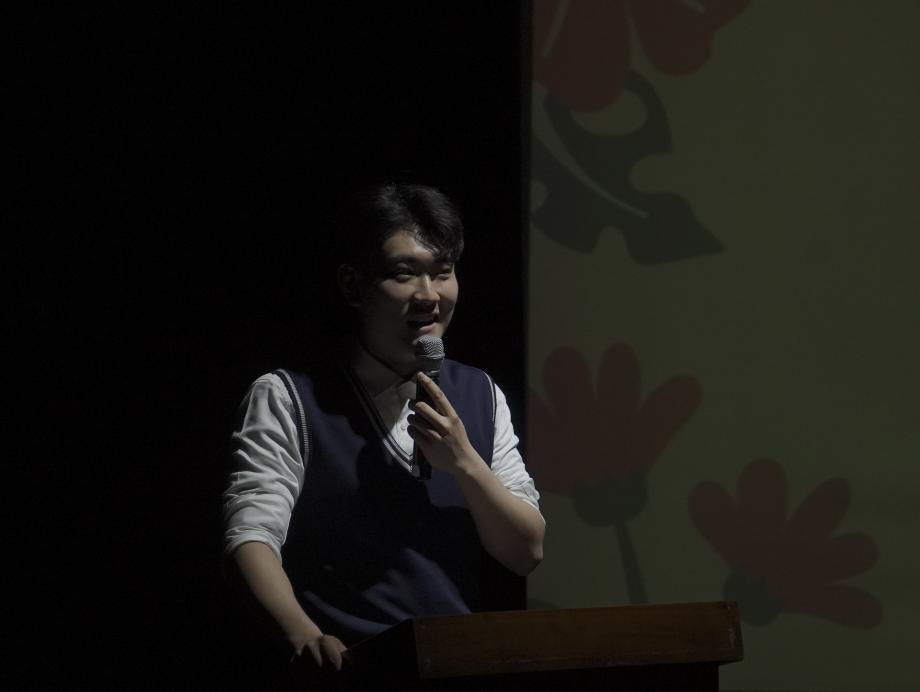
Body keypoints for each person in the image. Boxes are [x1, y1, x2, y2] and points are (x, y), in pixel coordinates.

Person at [222, 182, 544, 678]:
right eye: (403, 274)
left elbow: (526, 552)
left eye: (443, 273)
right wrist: (302, 633)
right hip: (349, 666)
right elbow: (251, 533)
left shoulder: (481, 393)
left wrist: (464, 462)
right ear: (353, 285)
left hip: (457, 663)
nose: (429, 295)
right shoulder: (290, 396)